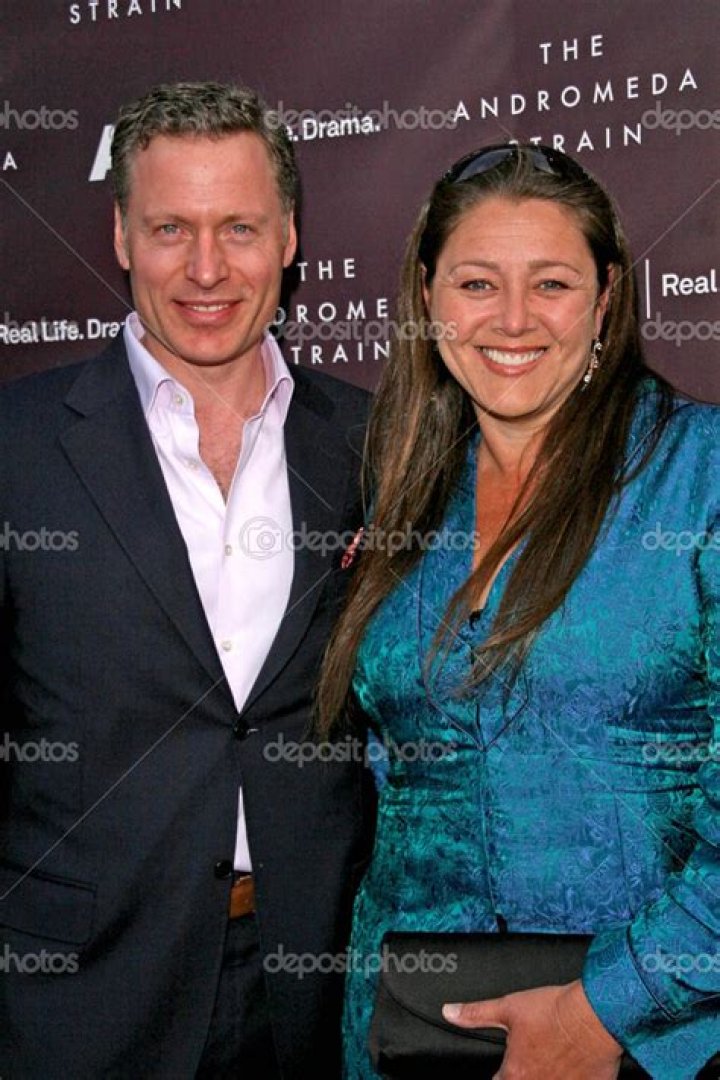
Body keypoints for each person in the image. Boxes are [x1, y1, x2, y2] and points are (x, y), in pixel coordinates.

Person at [316, 144, 719, 1078]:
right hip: (409, 1032)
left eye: (551, 284)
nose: (511, 319)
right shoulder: (400, 496)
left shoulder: (699, 476)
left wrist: (608, 1007)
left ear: (605, 299)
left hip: (652, 1042)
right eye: (476, 283)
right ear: (428, 298)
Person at [0, 81, 374, 1078]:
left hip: (313, 989)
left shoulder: (370, 443)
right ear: (122, 236)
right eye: (172, 228)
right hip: (76, 999)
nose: (207, 269)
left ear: (289, 237)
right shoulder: (17, 447)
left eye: (239, 227)